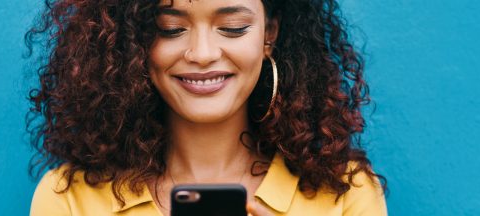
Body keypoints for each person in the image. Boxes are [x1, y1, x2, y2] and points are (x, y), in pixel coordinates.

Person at [25, 0, 387, 215]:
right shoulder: (70, 199)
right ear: (134, 40)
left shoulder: (346, 195)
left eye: (232, 28)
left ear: (269, 34)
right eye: (170, 29)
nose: (201, 54)